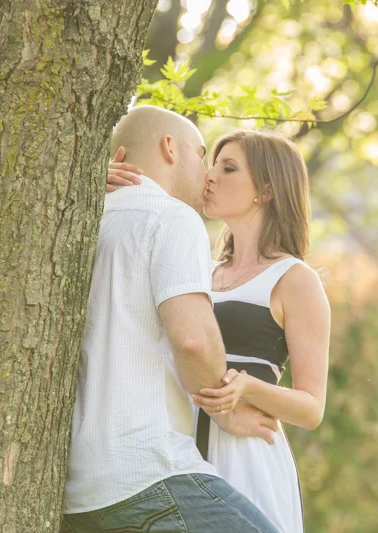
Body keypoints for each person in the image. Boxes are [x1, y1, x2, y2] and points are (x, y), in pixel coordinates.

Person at [62, 106, 280, 533]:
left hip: (80, 493)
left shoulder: (83, 219)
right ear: (168, 147)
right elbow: (194, 340)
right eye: (201, 156)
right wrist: (225, 410)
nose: (207, 175)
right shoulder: (172, 218)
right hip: (149, 474)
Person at [106, 128, 331, 533]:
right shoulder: (195, 268)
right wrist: (104, 189)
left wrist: (244, 388)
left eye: (228, 168)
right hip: (175, 448)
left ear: (266, 189)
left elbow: (312, 408)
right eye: (211, 165)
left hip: (246, 453)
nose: (209, 176)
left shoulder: (295, 280)